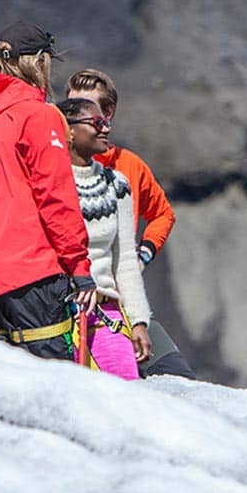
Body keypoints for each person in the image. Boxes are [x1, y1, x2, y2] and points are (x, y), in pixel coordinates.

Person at [0, 21, 94, 359]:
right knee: (51, 391)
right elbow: (56, 198)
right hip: (32, 275)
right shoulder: (39, 116)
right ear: (40, 61)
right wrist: (79, 266)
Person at [64, 68, 196, 379]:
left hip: (121, 298)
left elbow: (163, 214)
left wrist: (143, 255)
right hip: (77, 303)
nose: (70, 116)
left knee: (175, 376)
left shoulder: (127, 169)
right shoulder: (53, 170)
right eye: (71, 107)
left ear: (107, 114)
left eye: (87, 109)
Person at [60, 95, 152, 380]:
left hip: (105, 314)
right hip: (59, 315)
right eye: (97, 122)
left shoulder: (117, 185)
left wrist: (138, 321)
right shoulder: (47, 182)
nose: (106, 129)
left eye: (107, 122)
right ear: (69, 130)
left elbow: (124, 257)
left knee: (125, 398)